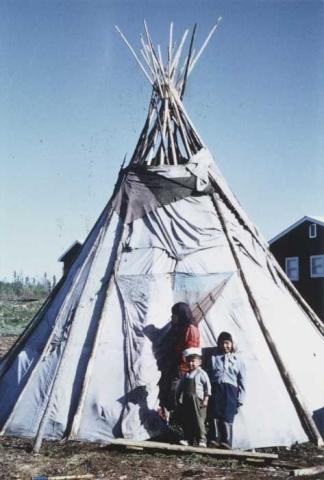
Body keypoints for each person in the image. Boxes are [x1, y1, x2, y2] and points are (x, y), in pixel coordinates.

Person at [207, 331, 246, 449]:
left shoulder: (238, 360)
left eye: (227, 343)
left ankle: (226, 442)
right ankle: (215, 439)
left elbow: (242, 380)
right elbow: (208, 375)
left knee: (228, 413)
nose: (225, 346)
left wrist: (241, 398)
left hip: (231, 390)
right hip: (216, 388)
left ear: (232, 344)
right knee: (215, 412)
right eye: (222, 343)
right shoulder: (214, 357)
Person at [176, 347, 211, 447]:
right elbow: (180, 387)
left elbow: (207, 387)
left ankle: (202, 439)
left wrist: (206, 399)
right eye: (188, 361)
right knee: (187, 419)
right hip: (187, 400)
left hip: (198, 400)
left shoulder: (201, 373)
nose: (190, 364)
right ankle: (188, 438)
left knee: (199, 419)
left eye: (193, 361)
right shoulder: (186, 375)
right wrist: (178, 397)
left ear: (199, 362)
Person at [168, 302, 200, 410]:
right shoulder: (181, 327)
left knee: (175, 392)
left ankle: (176, 416)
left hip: (183, 367)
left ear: (181, 315)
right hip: (178, 365)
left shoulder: (191, 329)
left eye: (174, 315)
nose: (172, 317)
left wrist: (182, 363)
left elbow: (191, 351)